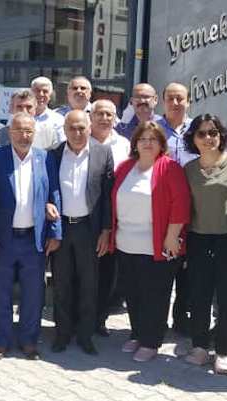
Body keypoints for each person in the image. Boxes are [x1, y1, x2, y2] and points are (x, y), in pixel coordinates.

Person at [0, 113, 62, 361]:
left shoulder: (45, 157)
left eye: (29, 131)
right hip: (3, 238)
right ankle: (1, 341)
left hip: (34, 238)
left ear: (34, 133)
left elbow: (54, 193)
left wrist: (56, 231)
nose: (24, 135)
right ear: (10, 132)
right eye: (19, 130)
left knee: (33, 293)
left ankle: (28, 340)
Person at [110, 120, 190, 362]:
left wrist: (172, 236)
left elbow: (181, 204)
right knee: (133, 293)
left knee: (154, 295)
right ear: (135, 143)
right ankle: (137, 333)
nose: (147, 143)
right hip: (125, 243)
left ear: (161, 144)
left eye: (152, 139)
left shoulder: (170, 168)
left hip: (157, 245)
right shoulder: (125, 167)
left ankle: (151, 341)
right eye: (143, 139)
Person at [180, 115, 227, 374]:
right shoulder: (189, 169)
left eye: (213, 133)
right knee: (199, 295)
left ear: (221, 135)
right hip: (199, 239)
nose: (208, 138)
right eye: (201, 134)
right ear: (193, 139)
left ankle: (223, 351)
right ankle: (199, 347)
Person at [48, 111, 114, 355]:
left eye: (81, 128)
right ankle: (62, 334)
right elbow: (47, 188)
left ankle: (86, 336)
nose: (77, 133)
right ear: (65, 130)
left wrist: (105, 230)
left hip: (89, 228)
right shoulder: (53, 154)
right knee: (61, 284)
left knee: (89, 284)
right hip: (62, 228)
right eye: (72, 128)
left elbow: (107, 196)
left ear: (90, 128)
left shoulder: (102, 153)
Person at [89, 99, 130, 335]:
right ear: (91, 116)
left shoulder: (124, 144)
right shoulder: (81, 141)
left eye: (109, 114)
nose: (104, 118)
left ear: (115, 118)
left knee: (107, 272)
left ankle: (99, 319)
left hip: (114, 216)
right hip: (86, 215)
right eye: (100, 113)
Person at [158, 82, 194, 336]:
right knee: (162, 269)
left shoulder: (198, 129)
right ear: (163, 101)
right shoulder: (154, 129)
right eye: (170, 98)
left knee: (188, 270)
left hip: (195, 208)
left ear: (188, 101)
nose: (175, 103)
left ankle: (182, 319)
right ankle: (157, 321)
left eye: (180, 98)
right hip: (162, 207)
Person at [31, 76, 66, 144]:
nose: (41, 94)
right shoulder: (21, 117)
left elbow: (61, 144)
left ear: (50, 95)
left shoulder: (58, 120)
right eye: (37, 90)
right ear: (31, 93)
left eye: (45, 91)